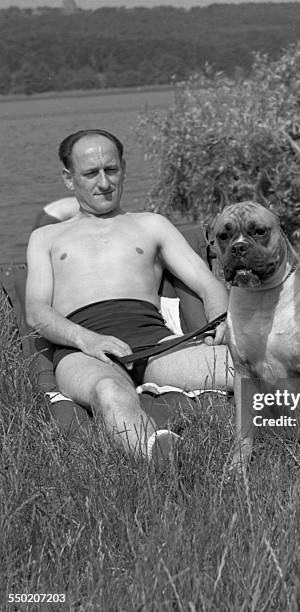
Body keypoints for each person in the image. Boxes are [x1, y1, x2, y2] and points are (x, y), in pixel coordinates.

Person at [25, 129, 232, 465]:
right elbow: (36, 311)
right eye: (91, 173)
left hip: (156, 345)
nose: (104, 183)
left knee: (242, 366)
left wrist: (221, 320)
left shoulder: (151, 225)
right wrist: (87, 340)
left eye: (112, 169)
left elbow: (208, 285)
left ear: (124, 167)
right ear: (68, 178)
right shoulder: (46, 238)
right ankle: (163, 460)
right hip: (83, 350)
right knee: (108, 391)